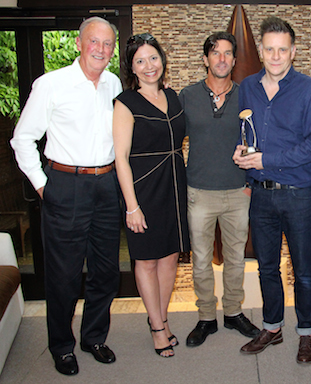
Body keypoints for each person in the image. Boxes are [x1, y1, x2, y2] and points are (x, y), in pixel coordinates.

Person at [10, 17, 122, 375]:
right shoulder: (51, 84)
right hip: (65, 184)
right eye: (94, 41)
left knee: (106, 271)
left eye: (107, 44)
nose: (101, 50)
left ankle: (94, 337)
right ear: (78, 43)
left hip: (106, 186)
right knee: (64, 275)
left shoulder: (113, 83)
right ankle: (61, 345)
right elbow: (22, 139)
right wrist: (43, 185)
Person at [232, 16, 311, 364]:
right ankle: (272, 327)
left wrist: (266, 158)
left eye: (282, 50)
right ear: (260, 50)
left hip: (297, 193)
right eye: (269, 49)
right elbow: (245, 133)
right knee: (267, 268)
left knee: (303, 270)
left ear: (293, 52)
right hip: (261, 194)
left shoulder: (309, 90)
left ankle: (306, 334)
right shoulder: (247, 87)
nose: (275, 56)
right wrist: (241, 154)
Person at [178, 32, 259, 348]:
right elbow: (169, 138)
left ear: (234, 60)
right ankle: (206, 317)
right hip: (199, 192)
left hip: (238, 192)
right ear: (206, 59)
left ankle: (234, 313)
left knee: (236, 259)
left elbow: (258, 144)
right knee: (200, 260)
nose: (222, 59)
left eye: (228, 53)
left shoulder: (247, 96)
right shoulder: (187, 96)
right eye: (216, 53)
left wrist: (250, 184)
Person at [113, 33, 190, 358]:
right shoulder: (125, 102)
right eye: (140, 61)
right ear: (132, 67)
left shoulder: (173, 96)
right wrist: (132, 207)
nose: (149, 66)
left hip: (173, 185)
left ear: (162, 60)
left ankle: (161, 317)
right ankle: (157, 327)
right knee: (145, 260)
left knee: (170, 256)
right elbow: (121, 157)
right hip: (143, 188)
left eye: (153, 58)